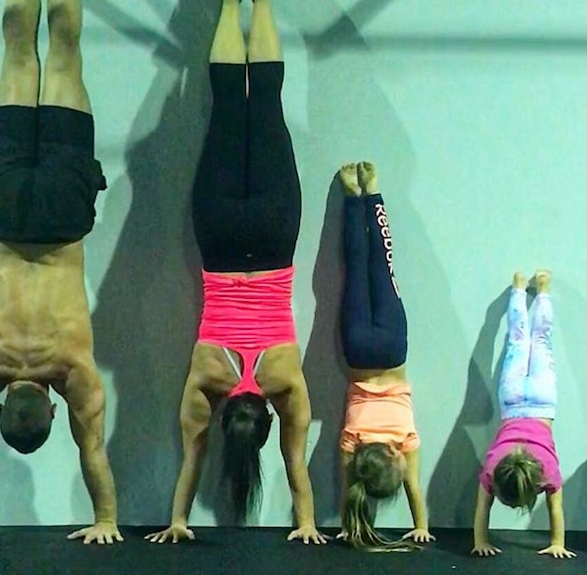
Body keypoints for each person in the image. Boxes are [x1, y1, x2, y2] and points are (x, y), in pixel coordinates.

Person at [0, 0, 121, 545]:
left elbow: (94, 452)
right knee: (18, 49)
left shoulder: (73, 370)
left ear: (54, 410)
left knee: (63, 54)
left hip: (62, 217)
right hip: (5, 214)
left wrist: (106, 519)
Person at [144, 0, 325, 545]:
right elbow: (192, 460)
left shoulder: (285, 384)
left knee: (264, 102)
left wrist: (309, 523)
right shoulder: (207, 383)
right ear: (229, 423)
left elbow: (297, 467)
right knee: (229, 104)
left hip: (272, 237)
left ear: (265, 422)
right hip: (221, 239)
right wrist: (177, 520)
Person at [334, 162, 433, 551]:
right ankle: (351, 196)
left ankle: (372, 192)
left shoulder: (405, 442)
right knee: (357, 269)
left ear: (395, 456)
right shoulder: (353, 444)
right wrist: (349, 525)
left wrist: (421, 526)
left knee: (381, 265)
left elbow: (414, 488)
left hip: (392, 350)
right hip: (358, 349)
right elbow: (350, 487)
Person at [471, 271, 574, 559]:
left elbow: (555, 510)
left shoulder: (548, 472)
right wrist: (557, 545)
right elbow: (482, 508)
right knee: (520, 340)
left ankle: (541, 289)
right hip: (513, 400)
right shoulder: (494, 468)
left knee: (540, 341)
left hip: (542, 402)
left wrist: (558, 541)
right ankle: (521, 288)